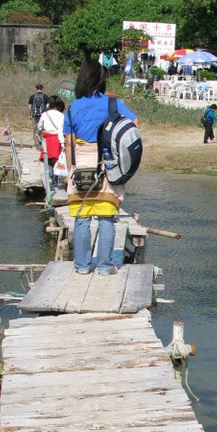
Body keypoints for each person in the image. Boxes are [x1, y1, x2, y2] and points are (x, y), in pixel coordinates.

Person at [63, 59, 138, 276]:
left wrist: (70, 172)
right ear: (102, 79)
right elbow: (134, 124)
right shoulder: (113, 104)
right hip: (108, 164)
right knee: (106, 218)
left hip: (81, 167)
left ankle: (83, 266)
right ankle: (105, 266)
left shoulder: (72, 108)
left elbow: (69, 143)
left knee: (82, 217)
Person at [36, 98, 65, 189]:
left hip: (46, 140)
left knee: (47, 160)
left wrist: (40, 134)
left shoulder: (44, 114)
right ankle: (55, 182)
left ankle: (49, 180)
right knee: (56, 161)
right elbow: (60, 130)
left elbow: (39, 127)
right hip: (56, 139)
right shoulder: (61, 115)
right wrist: (62, 143)